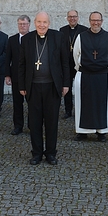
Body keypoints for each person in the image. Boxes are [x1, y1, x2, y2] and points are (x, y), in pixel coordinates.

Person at [19, 12, 70, 165]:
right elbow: (21, 64)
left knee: (51, 121)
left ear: (49, 23)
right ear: (34, 23)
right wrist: (21, 85)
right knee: (34, 122)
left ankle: (51, 153)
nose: (42, 25)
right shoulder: (27, 39)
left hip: (52, 86)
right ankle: (36, 153)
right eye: (39, 22)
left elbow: (65, 63)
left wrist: (66, 84)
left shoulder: (58, 37)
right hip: (33, 87)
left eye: (45, 22)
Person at [73, 12, 108, 142]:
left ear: (102, 21)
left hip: (102, 75)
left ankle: (101, 131)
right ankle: (82, 132)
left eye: (98, 20)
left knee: (102, 103)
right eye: (93, 20)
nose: (95, 23)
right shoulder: (81, 37)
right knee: (83, 104)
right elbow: (76, 55)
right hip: (85, 75)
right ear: (89, 21)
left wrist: (105, 66)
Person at [5, 15, 31, 135]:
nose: (22, 26)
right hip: (16, 77)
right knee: (17, 103)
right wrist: (7, 75)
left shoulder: (33, 38)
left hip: (31, 77)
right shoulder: (12, 39)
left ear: (29, 25)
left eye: (24, 24)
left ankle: (32, 126)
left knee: (32, 104)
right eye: (20, 24)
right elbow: (7, 59)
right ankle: (18, 126)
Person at [59, 10, 88, 119]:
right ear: (67, 18)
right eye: (70, 17)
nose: (72, 19)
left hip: (80, 64)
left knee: (81, 87)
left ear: (78, 17)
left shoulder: (84, 30)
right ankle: (68, 110)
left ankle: (82, 109)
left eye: (74, 17)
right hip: (66, 63)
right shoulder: (62, 30)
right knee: (67, 87)